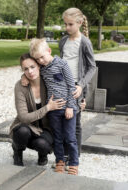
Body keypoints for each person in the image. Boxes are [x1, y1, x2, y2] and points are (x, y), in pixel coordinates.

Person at [29, 38, 79, 175]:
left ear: (49, 51)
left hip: (68, 108)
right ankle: (59, 161)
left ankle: (74, 163)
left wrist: (69, 106)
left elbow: (71, 86)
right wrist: (23, 77)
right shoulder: (42, 69)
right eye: (37, 59)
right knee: (57, 137)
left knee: (70, 137)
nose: (40, 61)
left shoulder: (62, 64)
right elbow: (29, 70)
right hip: (53, 109)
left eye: (42, 57)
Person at [10, 53, 66, 167]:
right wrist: (48, 107)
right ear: (22, 71)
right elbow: (24, 117)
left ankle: (42, 154)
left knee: (43, 145)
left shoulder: (48, 81)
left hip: (46, 129)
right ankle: (17, 151)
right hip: (26, 126)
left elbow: (66, 85)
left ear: (39, 65)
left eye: (32, 67)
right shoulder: (20, 86)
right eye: (26, 69)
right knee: (22, 132)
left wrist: (80, 99)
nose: (30, 72)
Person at [60, 8, 96, 157]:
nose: (67, 28)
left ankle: (75, 156)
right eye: (65, 24)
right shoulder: (63, 41)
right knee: (62, 119)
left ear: (80, 23)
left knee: (75, 123)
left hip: (76, 86)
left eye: (70, 24)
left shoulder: (84, 42)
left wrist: (81, 85)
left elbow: (92, 67)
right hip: (62, 84)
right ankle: (63, 154)